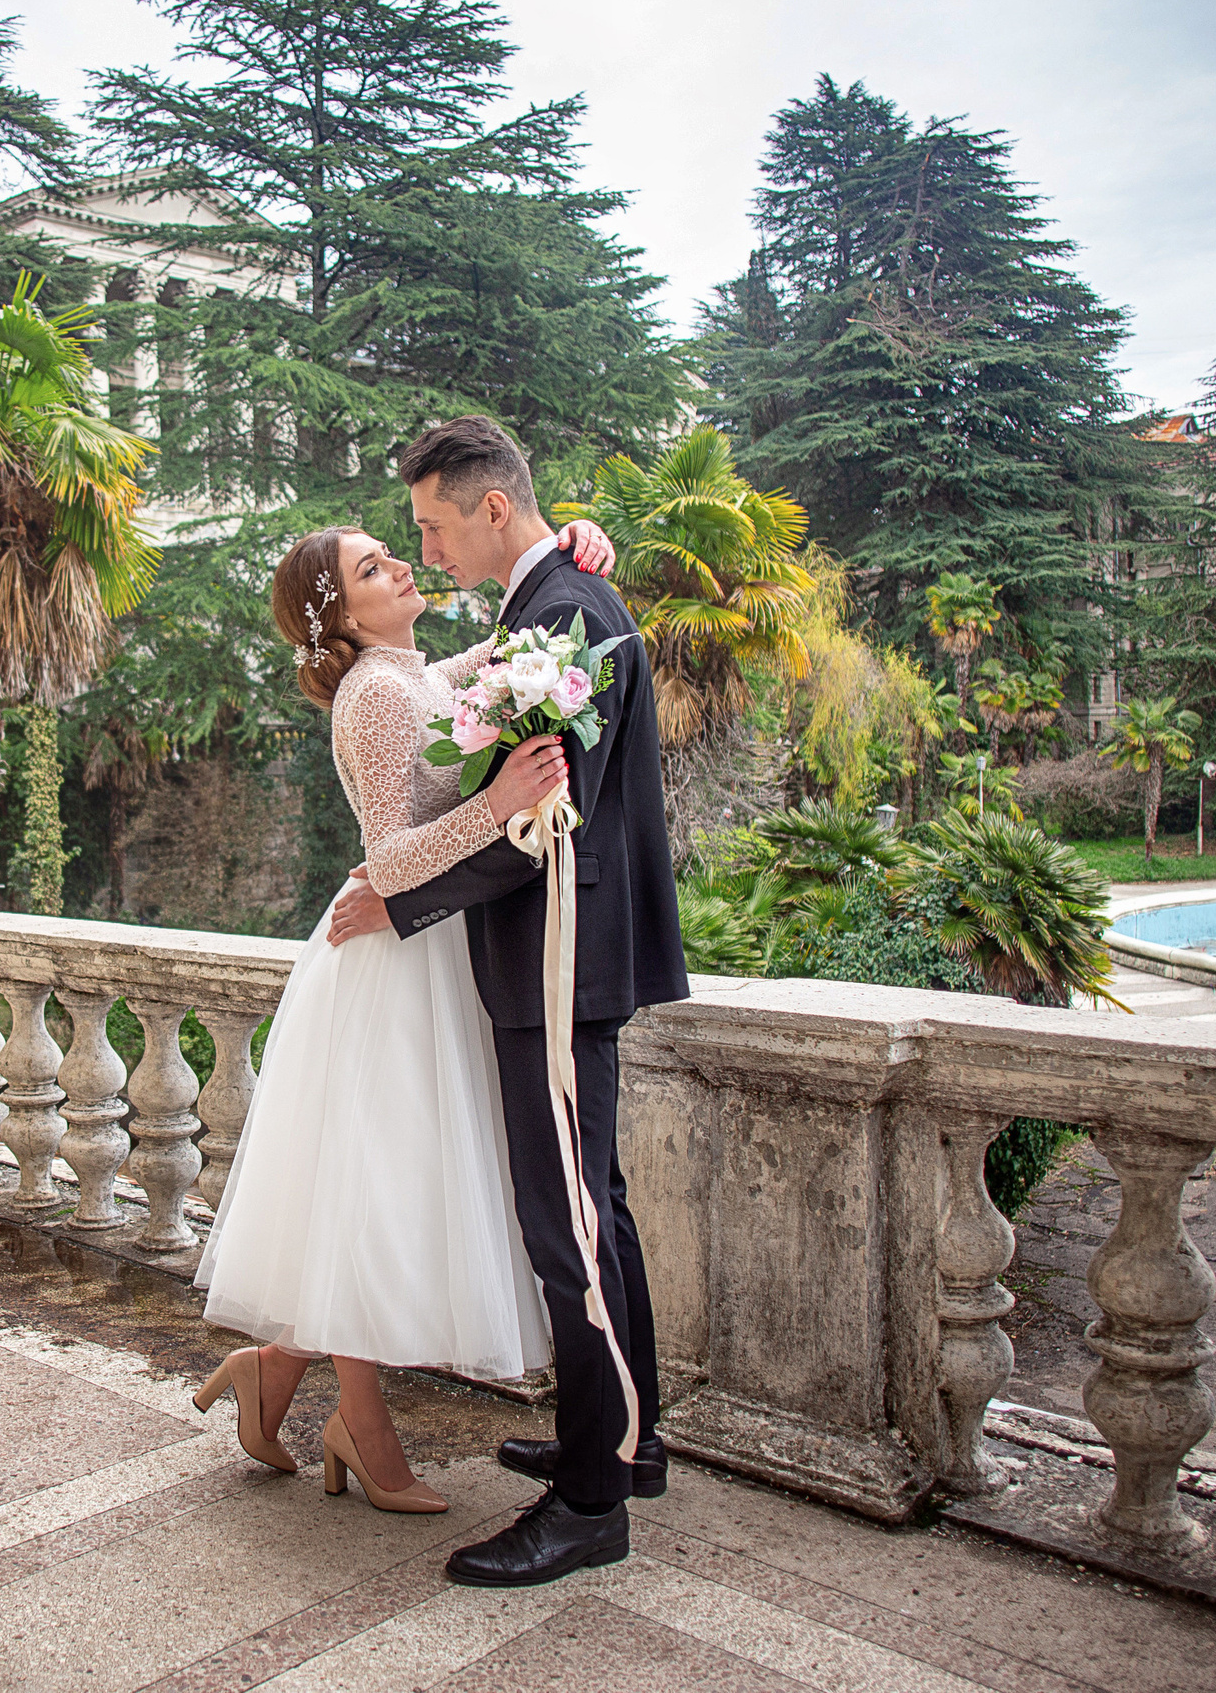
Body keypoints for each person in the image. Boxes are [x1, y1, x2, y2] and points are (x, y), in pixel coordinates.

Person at [191, 515, 616, 1515]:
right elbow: (390, 860)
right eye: (374, 566)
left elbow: (516, 640)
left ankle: (280, 1375)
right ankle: (361, 1425)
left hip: (427, 961)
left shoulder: (414, 672)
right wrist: (503, 795)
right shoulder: (375, 694)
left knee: (386, 1199)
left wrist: (572, 542)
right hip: (389, 972)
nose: (399, 565)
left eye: (392, 551)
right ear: (339, 610)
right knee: (376, 1198)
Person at [326, 415, 687, 1587]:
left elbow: (542, 816)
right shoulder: (557, 601)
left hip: (559, 958)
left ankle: (590, 1503)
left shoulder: (565, 613)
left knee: (566, 1229)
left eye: (431, 527)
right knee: (594, 1213)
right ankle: (621, 1448)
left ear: (492, 508)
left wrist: (398, 897)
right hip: (566, 958)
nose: (424, 551)